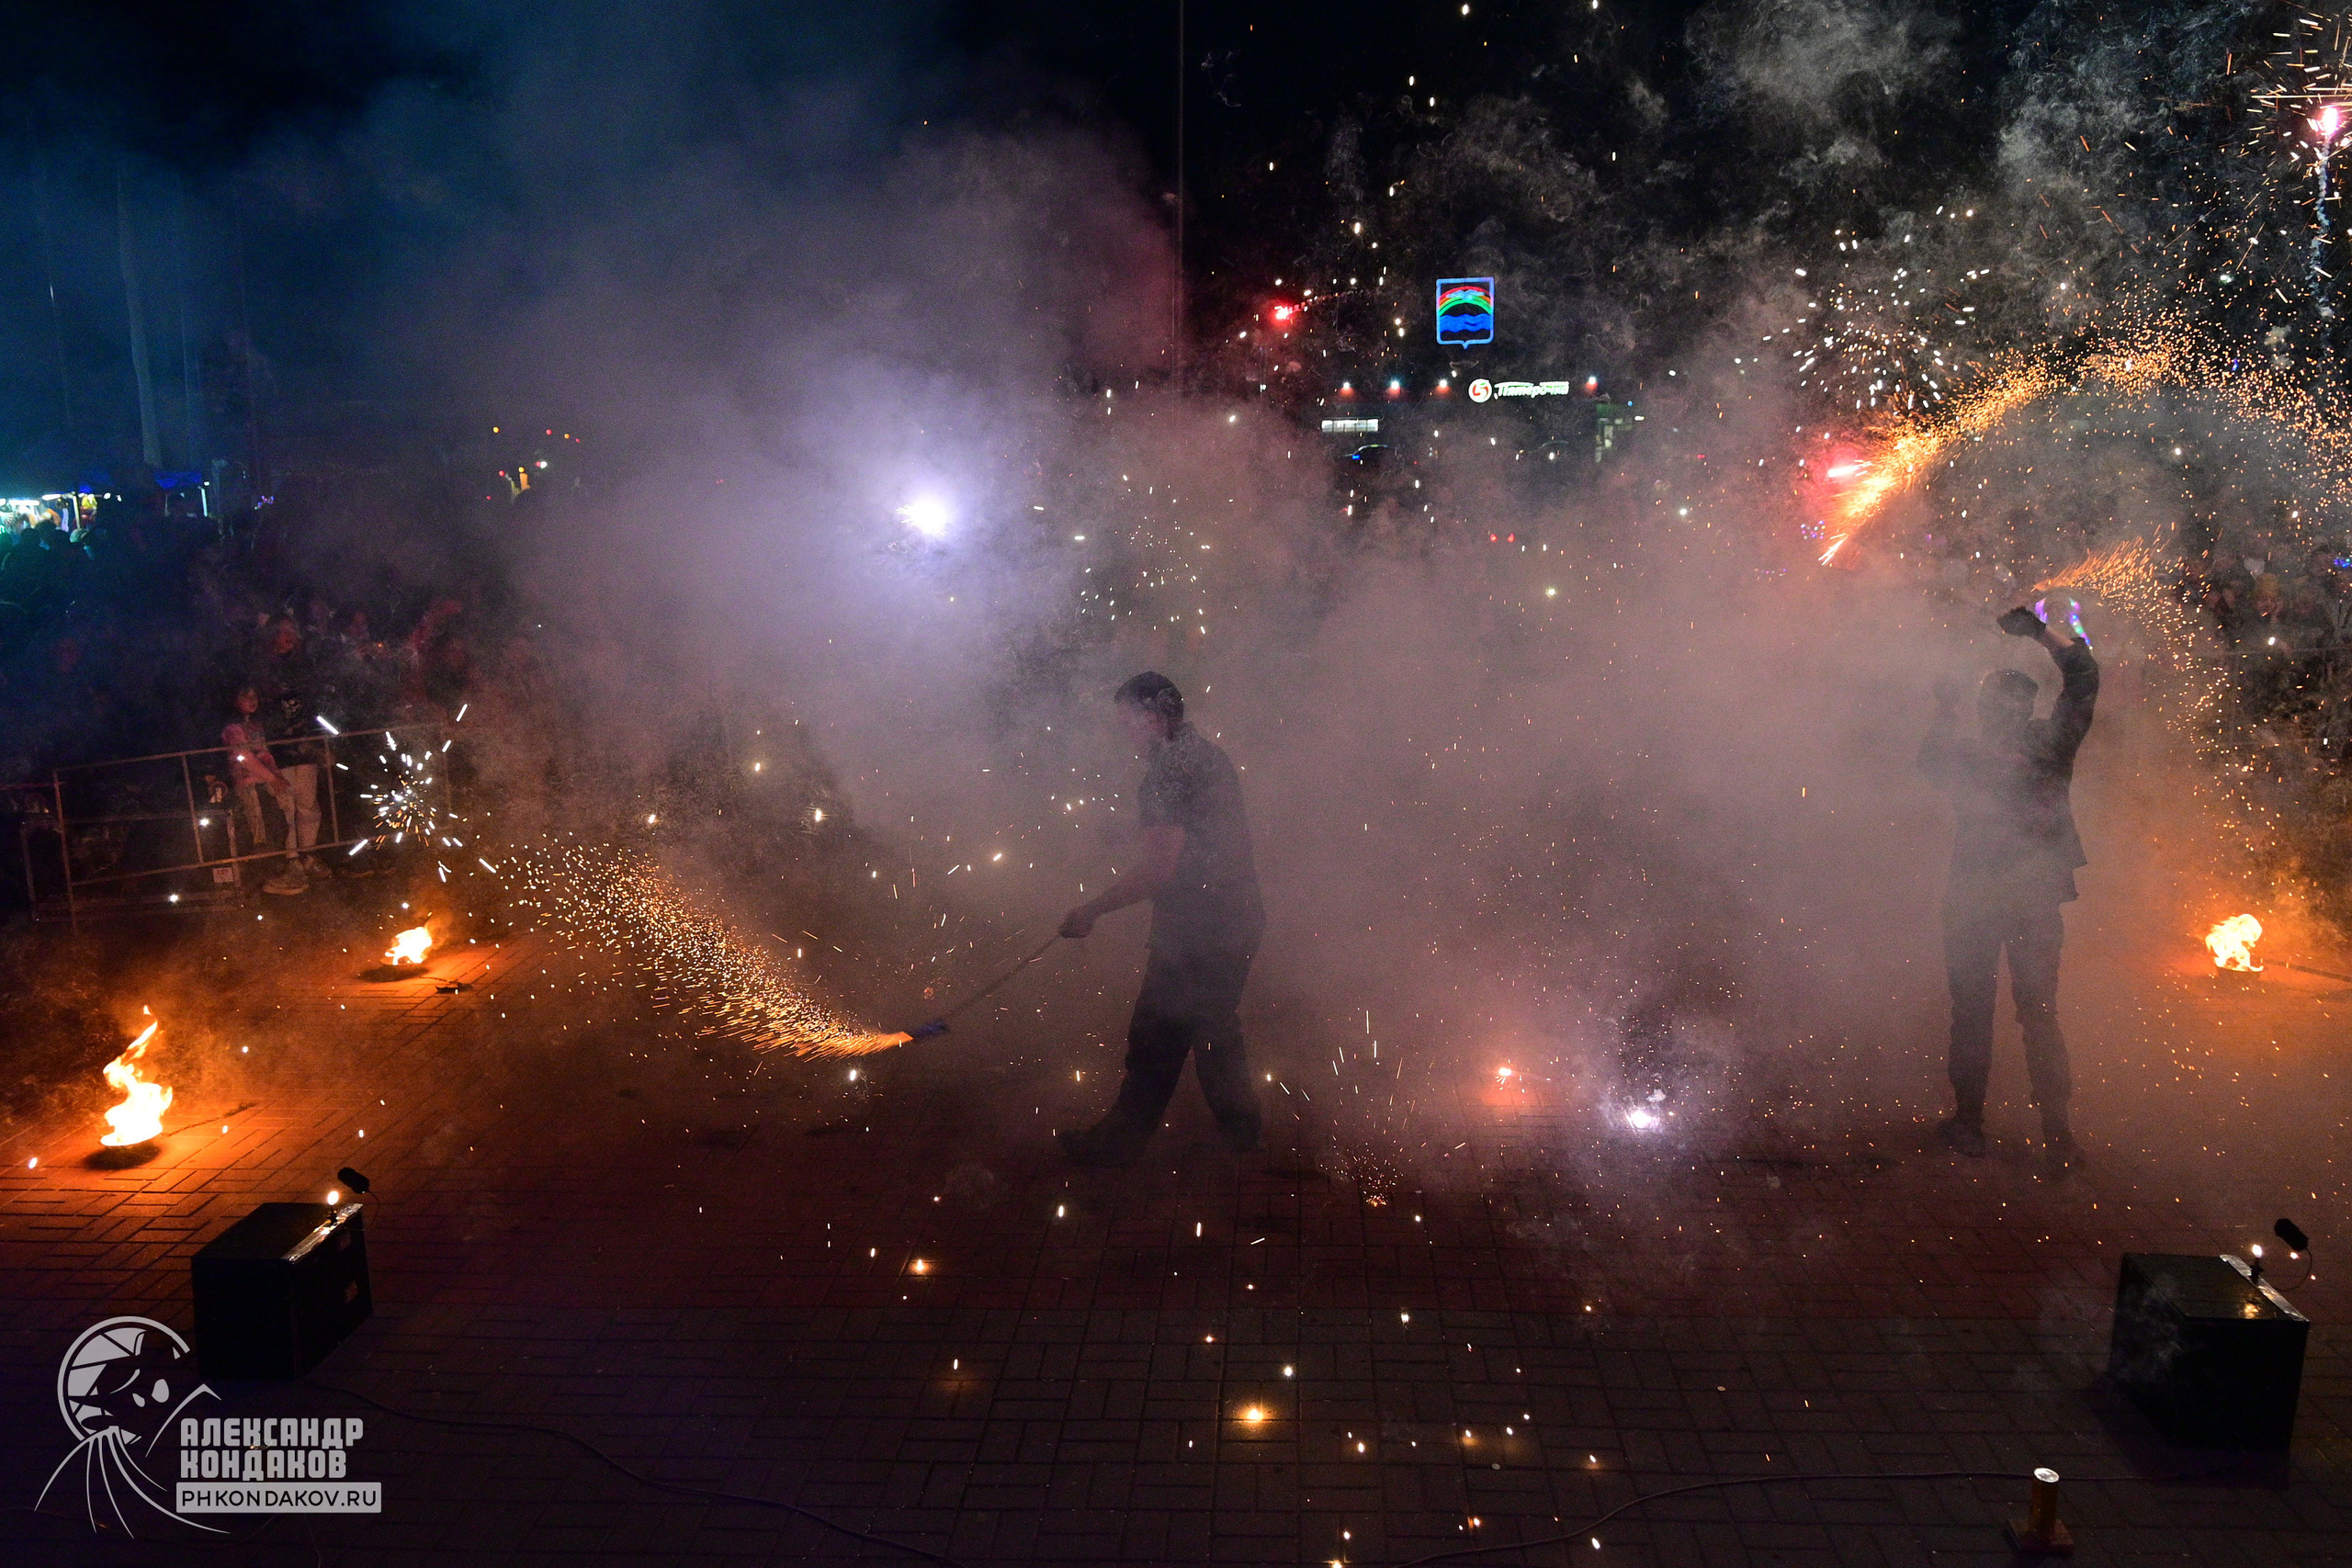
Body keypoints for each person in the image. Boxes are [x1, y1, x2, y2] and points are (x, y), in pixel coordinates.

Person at [1056, 671, 1266, 1167]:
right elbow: (1196, 832)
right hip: (1239, 917)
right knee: (1212, 1029)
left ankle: (1116, 1148)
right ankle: (1243, 1135)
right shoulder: (1209, 756)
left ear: (1153, 719)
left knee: (1156, 1036)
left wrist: (1092, 910)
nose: (1123, 732)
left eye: (1127, 721)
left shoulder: (1166, 774)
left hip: (1196, 930)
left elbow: (1158, 869)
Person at [1919, 606, 2099, 1176]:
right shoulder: (2052, 744)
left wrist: (1945, 707)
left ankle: (1970, 1125)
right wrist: (2041, 633)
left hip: (1976, 893)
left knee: (1973, 1010)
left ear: (1983, 711)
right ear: (2027, 711)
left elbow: (1929, 760)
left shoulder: (1965, 754)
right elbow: (2086, 677)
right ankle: (2057, 1134)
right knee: (2039, 1013)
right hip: (2035, 895)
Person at [223, 684, 306, 897]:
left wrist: (274, 777)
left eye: (254, 695)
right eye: (245, 696)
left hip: (264, 782)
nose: (252, 700)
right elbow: (246, 759)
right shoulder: (234, 729)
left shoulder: (255, 725)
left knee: (276, 825)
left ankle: (275, 873)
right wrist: (272, 778)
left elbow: (263, 754)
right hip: (252, 784)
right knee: (264, 829)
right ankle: (268, 876)